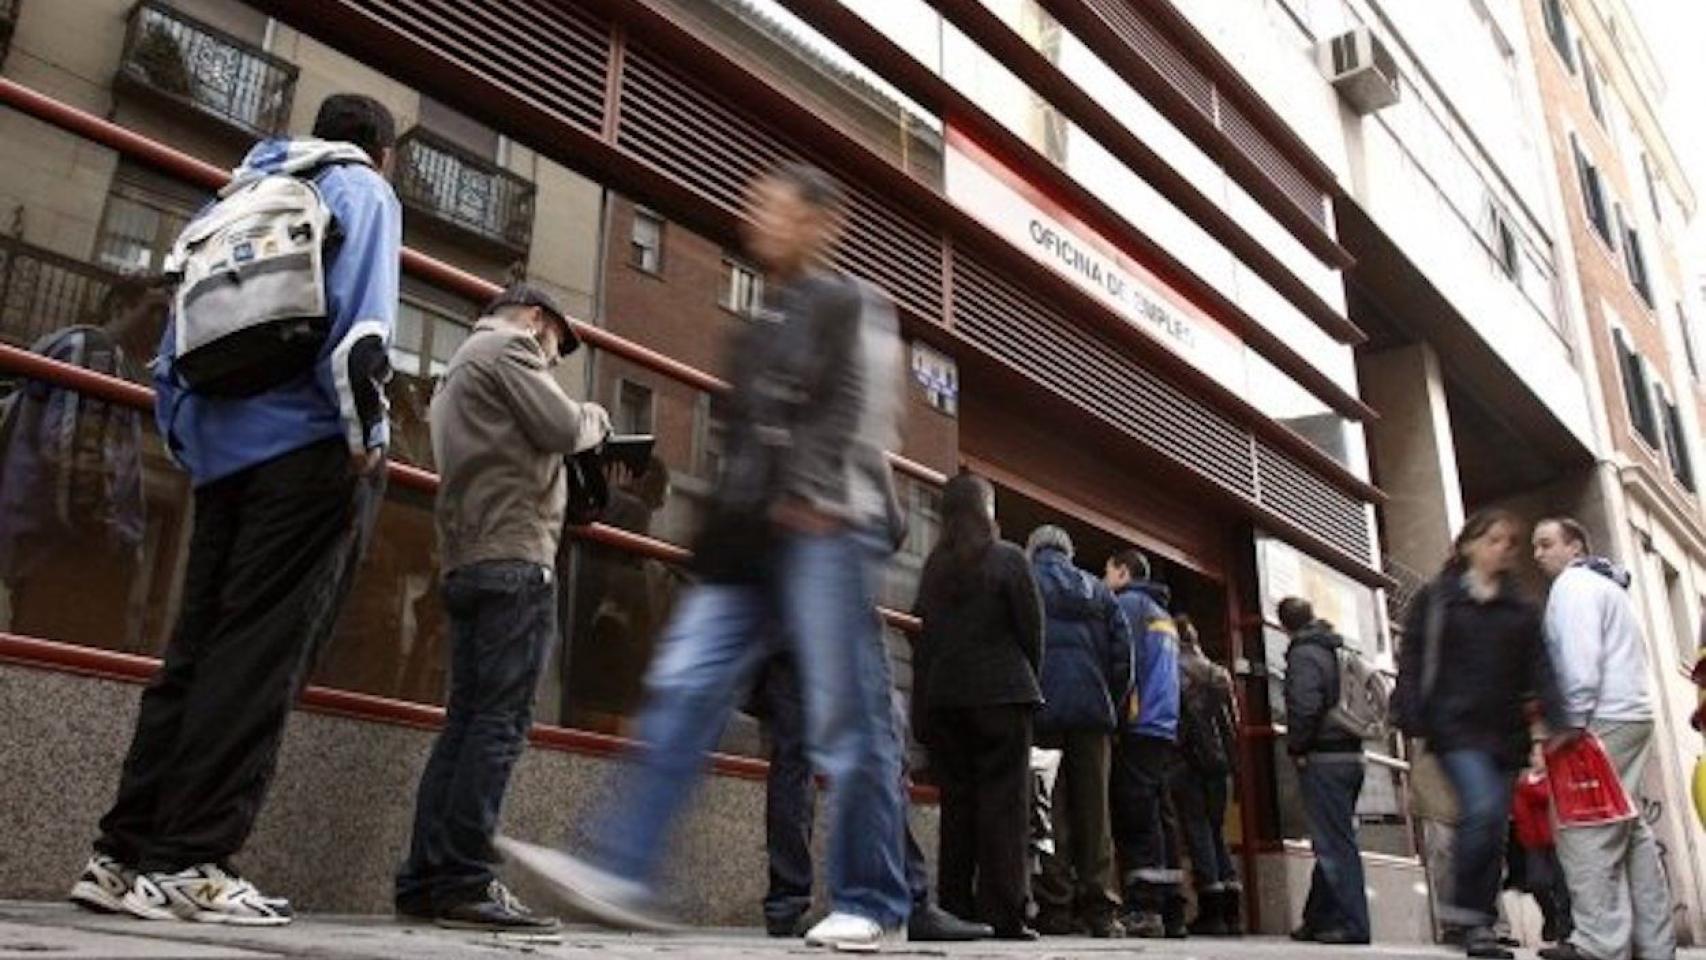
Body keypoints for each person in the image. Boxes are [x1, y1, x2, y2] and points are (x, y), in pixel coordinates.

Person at [498, 162, 913, 952]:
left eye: (777, 206)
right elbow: (741, 439)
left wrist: (819, 495)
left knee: (845, 722)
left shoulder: (848, 305)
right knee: (685, 688)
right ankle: (625, 869)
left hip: (826, 526)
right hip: (749, 540)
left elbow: (862, 409)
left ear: (822, 222)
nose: (758, 216)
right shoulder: (759, 326)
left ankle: (872, 896)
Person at [67, 93, 400, 925]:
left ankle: (121, 857)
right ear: (381, 150)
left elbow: (175, 341)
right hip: (304, 454)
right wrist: (368, 443)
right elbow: (362, 338)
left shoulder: (234, 193)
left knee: (194, 652)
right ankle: (193, 861)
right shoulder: (363, 193)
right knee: (256, 659)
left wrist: (192, 445)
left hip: (220, 457)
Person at [392, 284, 610, 931]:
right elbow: (566, 428)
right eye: (556, 348)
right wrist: (596, 416)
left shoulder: (457, 366)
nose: (552, 360)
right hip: (515, 557)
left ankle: (427, 880)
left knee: (465, 722)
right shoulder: (510, 347)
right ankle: (463, 880)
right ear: (539, 321)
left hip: (466, 558)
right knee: (499, 725)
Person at [1393, 510, 1565, 960]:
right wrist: (1411, 711)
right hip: (1455, 729)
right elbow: (1411, 658)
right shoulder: (1437, 600)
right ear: (1468, 544)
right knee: (1482, 811)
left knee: (1492, 829)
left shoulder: (1521, 608)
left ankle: (1475, 918)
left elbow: (1541, 668)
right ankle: (1472, 917)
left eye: (1509, 543)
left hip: (1506, 735)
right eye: (1493, 540)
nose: (1503, 549)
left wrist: (1559, 721)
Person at [751, 644, 991, 942]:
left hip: (783, 629)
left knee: (794, 756)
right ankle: (907, 898)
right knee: (878, 741)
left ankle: (787, 903)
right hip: (837, 621)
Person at [1532, 517, 1676, 960]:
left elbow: (1578, 659)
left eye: (1546, 544)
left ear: (1575, 547)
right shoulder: (1609, 588)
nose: (1537, 554)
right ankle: (1654, 946)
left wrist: (1568, 726)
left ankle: (1598, 945)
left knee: (1585, 830)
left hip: (1599, 721)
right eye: (1535, 547)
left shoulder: (1572, 588)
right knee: (1630, 829)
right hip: (1630, 715)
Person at [911, 472, 1044, 941]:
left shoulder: (933, 569)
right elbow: (1032, 631)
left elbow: (920, 639)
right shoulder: (1008, 559)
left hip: (947, 699)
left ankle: (956, 908)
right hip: (1004, 695)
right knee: (1004, 808)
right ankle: (1006, 912)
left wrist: (923, 709)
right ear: (986, 510)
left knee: (959, 808)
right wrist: (1030, 681)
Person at [1027, 524, 1133, 939]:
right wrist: (1108, 700)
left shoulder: (1027, 581)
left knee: (1047, 811)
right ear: (1068, 553)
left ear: (1033, 551)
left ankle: (1054, 908)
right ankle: (1101, 909)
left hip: (1041, 711)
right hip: (1092, 715)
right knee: (1095, 812)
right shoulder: (1100, 591)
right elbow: (1124, 659)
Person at [1279, 596, 1371, 947]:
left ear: (1285, 626)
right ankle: (1316, 919)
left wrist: (1297, 748)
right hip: (1351, 756)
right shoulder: (1335, 648)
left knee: (1334, 844)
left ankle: (1353, 924)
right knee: (1333, 838)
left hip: (1324, 757)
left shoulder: (1304, 653)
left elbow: (1305, 704)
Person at [1103, 548, 1184, 938]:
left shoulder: (1129, 607)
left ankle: (1144, 908)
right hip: (1164, 726)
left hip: (1138, 724)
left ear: (1122, 571)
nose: (1105, 580)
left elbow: (1123, 663)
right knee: (1161, 815)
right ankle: (1172, 908)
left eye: (1107, 571)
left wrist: (1115, 715)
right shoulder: (1163, 614)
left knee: (1136, 817)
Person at [1171, 614, 1242, 936]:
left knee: (1197, 831)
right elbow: (1231, 726)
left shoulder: (1176, 669)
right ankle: (1232, 909)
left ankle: (1211, 909)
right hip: (1221, 763)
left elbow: (1179, 720)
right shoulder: (1218, 673)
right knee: (1216, 831)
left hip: (1190, 761)